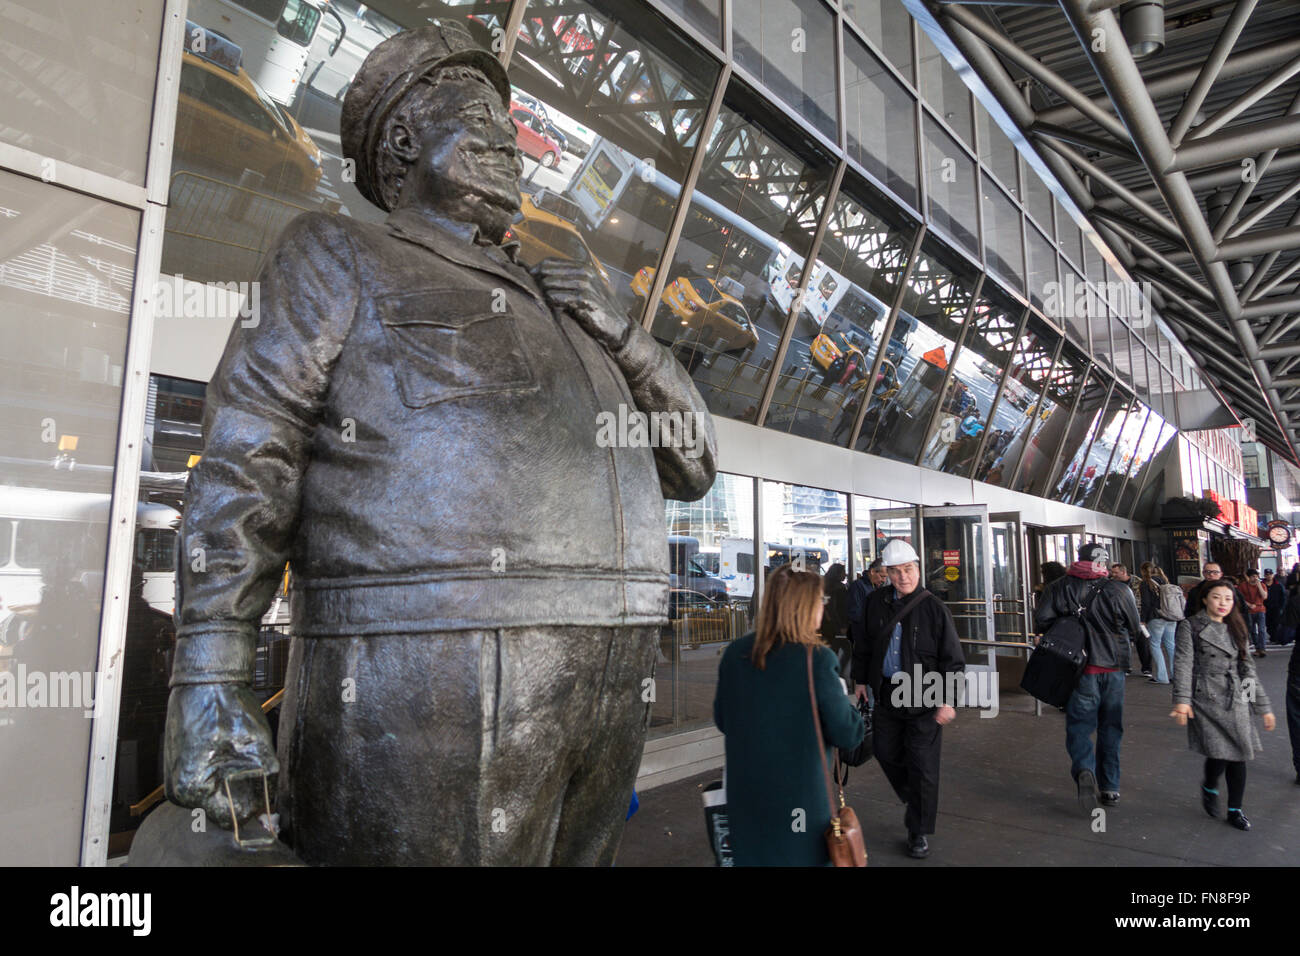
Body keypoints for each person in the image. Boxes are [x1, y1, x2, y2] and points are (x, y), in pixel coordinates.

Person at [161, 21, 717, 866]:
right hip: (430, 683)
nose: (509, 141)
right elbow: (246, 458)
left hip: (609, 679)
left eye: (511, 125)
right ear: (404, 140)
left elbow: (694, 464)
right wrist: (208, 675)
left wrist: (624, 334)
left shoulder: (569, 302)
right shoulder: (338, 254)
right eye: (479, 115)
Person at [713, 565, 865, 866]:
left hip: (747, 796)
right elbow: (848, 733)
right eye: (820, 603)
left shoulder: (736, 653)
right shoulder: (817, 659)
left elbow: (723, 720)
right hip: (801, 802)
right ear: (806, 608)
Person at [851, 539, 965, 859]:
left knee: (923, 766)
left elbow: (953, 660)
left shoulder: (934, 608)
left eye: (909, 569)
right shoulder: (875, 603)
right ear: (885, 573)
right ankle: (916, 799)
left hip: (925, 697)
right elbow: (863, 643)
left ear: (918, 568)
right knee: (885, 751)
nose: (903, 577)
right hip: (887, 693)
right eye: (896, 571)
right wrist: (860, 679)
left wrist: (948, 700)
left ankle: (918, 831)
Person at [1034, 542, 1141, 812]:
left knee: (1080, 726)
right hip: (1113, 668)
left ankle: (1084, 769)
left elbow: (1043, 619)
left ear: (1077, 559)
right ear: (1104, 563)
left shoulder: (1058, 587)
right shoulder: (1119, 589)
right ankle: (1110, 788)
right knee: (1111, 727)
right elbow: (1134, 626)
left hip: (1078, 668)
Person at [1170, 581, 1277, 830]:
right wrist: (1182, 701)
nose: (1223, 603)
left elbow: (1247, 669)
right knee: (1219, 753)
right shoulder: (1191, 626)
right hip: (1205, 698)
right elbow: (1183, 663)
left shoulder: (1237, 626)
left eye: (1228, 599)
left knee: (1239, 754)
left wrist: (1261, 707)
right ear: (1205, 598)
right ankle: (1209, 785)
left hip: (1235, 696)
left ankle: (1235, 810)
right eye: (1217, 597)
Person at [1138, 563, 1177, 684]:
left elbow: (1146, 603)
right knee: (1171, 645)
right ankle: (1176, 675)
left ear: (1144, 571)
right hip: (1171, 617)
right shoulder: (1166, 582)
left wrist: (1143, 619)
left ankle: (1162, 677)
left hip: (1156, 617)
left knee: (1155, 645)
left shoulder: (1145, 583)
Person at [1112, 563, 1152, 676]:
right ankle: (1126, 667)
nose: (1113, 574)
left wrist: (1142, 618)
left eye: (1116, 572)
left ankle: (1146, 668)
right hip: (1120, 618)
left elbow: (1143, 602)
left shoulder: (1138, 583)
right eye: (1112, 572)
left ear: (1123, 572)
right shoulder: (1111, 584)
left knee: (1142, 643)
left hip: (1137, 617)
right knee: (1124, 643)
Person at [821, 563, 851, 676]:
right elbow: (838, 609)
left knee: (833, 651)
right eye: (843, 572)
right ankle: (836, 674)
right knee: (846, 650)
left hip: (826, 625)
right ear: (838, 573)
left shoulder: (825, 586)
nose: (846, 574)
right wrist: (842, 625)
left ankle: (835, 674)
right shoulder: (839, 588)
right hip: (837, 626)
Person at [1237, 570, 1269, 657]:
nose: (1255, 578)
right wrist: (1249, 604)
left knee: (1262, 630)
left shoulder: (1262, 585)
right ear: (1248, 577)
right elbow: (1240, 598)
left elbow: (1264, 596)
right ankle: (1257, 648)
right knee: (1252, 630)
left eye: (1256, 576)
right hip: (1249, 611)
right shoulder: (1243, 586)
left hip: (1260, 609)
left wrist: (1259, 586)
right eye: (1253, 576)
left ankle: (1262, 649)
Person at [1265, 569, 1287, 645]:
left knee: (1276, 623)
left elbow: (1283, 596)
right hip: (1266, 608)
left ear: (1273, 575)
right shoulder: (1262, 584)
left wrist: (1282, 607)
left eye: (1270, 574)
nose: (1269, 576)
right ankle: (1272, 636)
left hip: (1276, 607)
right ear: (1265, 575)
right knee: (1268, 624)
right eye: (1267, 574)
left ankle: (1276, 638)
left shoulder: (1278, 584)